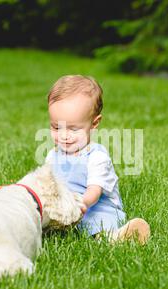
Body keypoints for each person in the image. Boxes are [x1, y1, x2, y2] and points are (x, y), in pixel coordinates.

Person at [45, 75, 150, 244]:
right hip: (67, 208)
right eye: (56, 127)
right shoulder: (52, 155)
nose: (63, 135)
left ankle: (115, 238)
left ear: (94, 124)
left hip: (96, 207)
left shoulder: (96, 157)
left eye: (73, 129)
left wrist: (78, 205)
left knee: (96, 223)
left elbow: (94, 192)